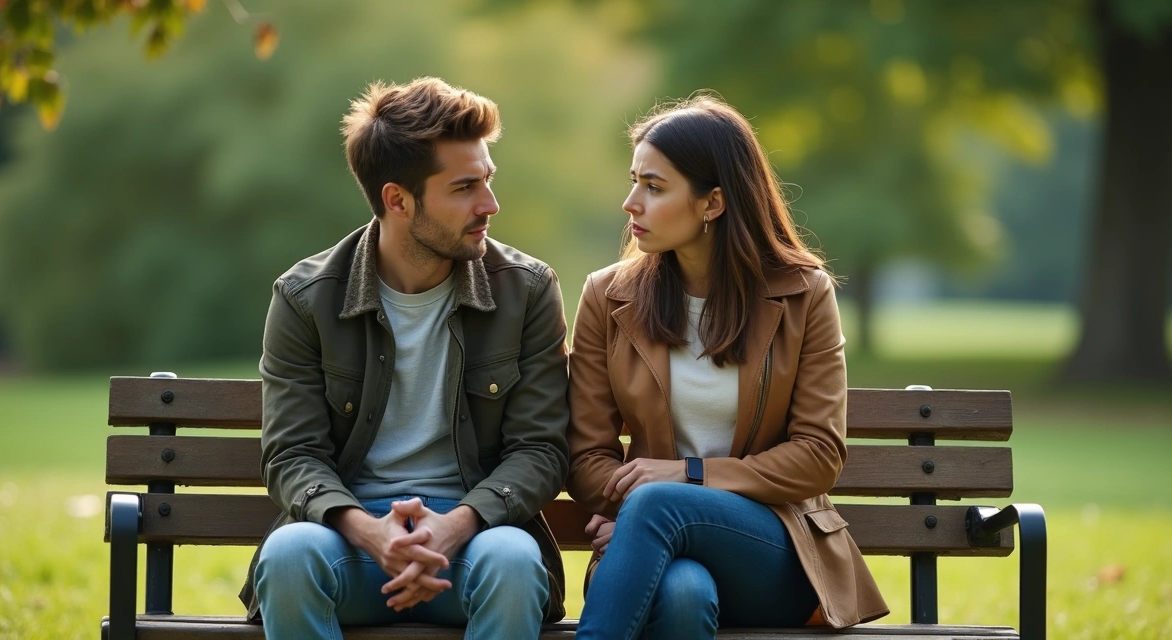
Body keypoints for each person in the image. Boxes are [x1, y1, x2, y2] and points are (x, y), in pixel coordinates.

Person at [238, 77, 570, 640]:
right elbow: (292, 453)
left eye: (487, 179)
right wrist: (373, 535)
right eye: (465, 187)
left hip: (478, 537)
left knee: (515, 562)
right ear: (398, 199)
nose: (490, 205)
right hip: (350, 535)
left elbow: (540, 448)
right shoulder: (305, 298)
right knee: (289, 555)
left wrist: (453, 528)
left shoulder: (527, 290)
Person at [565, 94, 889, 639]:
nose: (631, 203)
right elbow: (585, 453)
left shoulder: (802, 295)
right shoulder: (608, 296)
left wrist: (687, 478)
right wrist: (640, 512)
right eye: (634, 180)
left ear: (712, 203)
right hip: (649, 546)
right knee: (685, 594)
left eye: (654, 186)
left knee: (658, 502)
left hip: (772, 548)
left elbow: (819, 455)